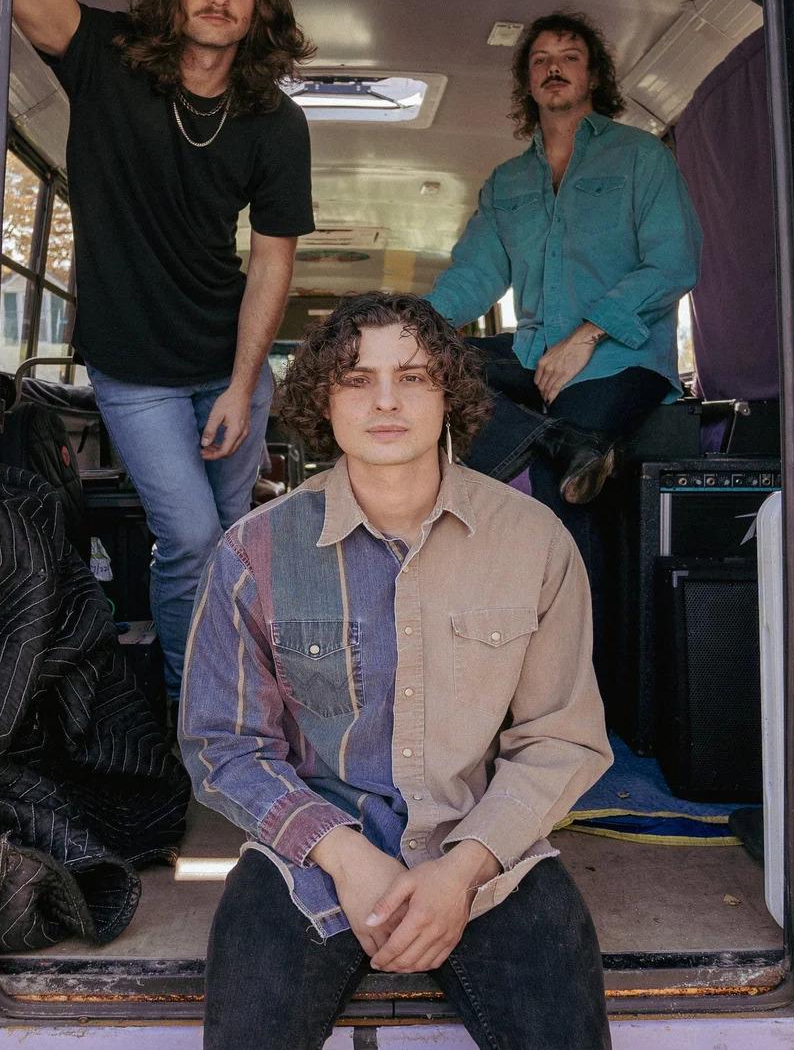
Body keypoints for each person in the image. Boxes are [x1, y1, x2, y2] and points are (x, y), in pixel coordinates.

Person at [180, 292, 614, 1050]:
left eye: (413, 377)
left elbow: (561, 738)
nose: (386, 400)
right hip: (306, 859)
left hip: (487, 854)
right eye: (356, 379)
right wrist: (344, 855)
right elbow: (224, 745)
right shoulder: (254, 552)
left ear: (450, 395)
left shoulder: (535, 542)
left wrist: (461, 870)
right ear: (323, 399)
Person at [11, 0, 315, 700]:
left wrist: (246, 387)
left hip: (230, 365)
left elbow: (271, 261)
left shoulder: (276, 124)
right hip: (134, 369)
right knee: (186, 538)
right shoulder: (106, 58)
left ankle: (231, 697)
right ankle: (198, 719)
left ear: (259, 8)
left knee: (226, 546)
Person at [422, 10, 701, 598]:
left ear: (593, 75)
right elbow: (475, 276)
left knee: (560, 501)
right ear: (527, 82)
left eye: (569, 57)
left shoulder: (640, 158)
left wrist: (585, 335)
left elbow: (673, 264)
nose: (554, 68)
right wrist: (406, 327)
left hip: (619, 359)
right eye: (541, 60)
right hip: (533, 355)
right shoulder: (506, 183)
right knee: (437, 364)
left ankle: (587, 673)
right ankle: (558, 438)